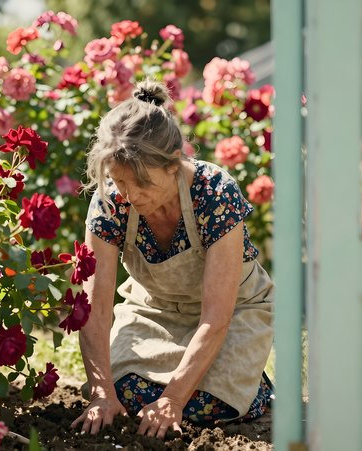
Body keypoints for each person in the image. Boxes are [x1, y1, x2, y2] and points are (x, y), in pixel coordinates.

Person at [70, 80, 275, 439]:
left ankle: (253, 383)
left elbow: (216, 317)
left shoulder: (214, 192)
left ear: (174, 163)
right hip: (154, 312)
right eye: (120, 182)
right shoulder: (110, 200)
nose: (130, 197)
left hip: (234, 312)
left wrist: (174, 399)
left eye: (143, 184)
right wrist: (102, 395)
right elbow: (94, 307)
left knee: (207, 408)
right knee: (125, 396)